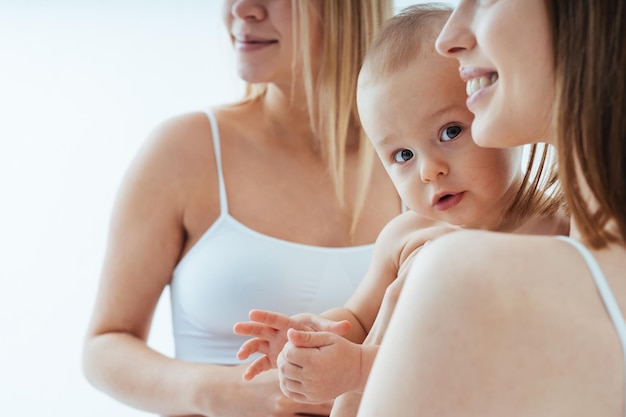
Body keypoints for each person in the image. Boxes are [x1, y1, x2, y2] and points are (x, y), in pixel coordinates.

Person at [233, 3, 569, 413]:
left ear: (492, 108)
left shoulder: (554, 234)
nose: (430, 170)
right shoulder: (404, 237)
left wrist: (359, 369)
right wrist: (314, 337)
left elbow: (497, 364)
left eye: (450, 132)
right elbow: (356, 320)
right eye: (403, 155)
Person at [81, 1, 399, 417]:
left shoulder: (418, 163)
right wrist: (227, 391)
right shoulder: (184, 151)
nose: (241, 9)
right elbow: (103, 347)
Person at [357, 0, 626, 416]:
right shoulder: (413, 243)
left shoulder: (460, 269)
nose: (449, 36)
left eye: (485, 0)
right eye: (402, 156)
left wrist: (357, 376)